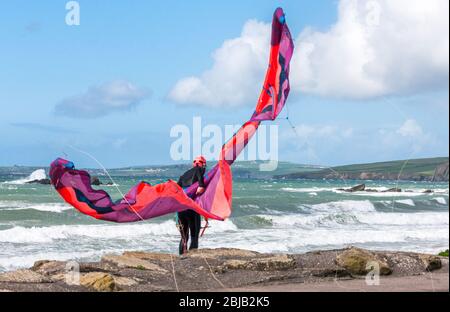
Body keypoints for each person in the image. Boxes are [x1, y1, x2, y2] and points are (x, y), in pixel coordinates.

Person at [177, 155, 207, 255]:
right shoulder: (198, 170)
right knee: (194, 236)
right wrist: (201, 186)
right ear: (202, 165)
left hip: (181, 209)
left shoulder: (183, 175)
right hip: (191, 208)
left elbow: (176, 190)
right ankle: (192, 258)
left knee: (184, 237)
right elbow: (201, 185)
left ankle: (181, 257)